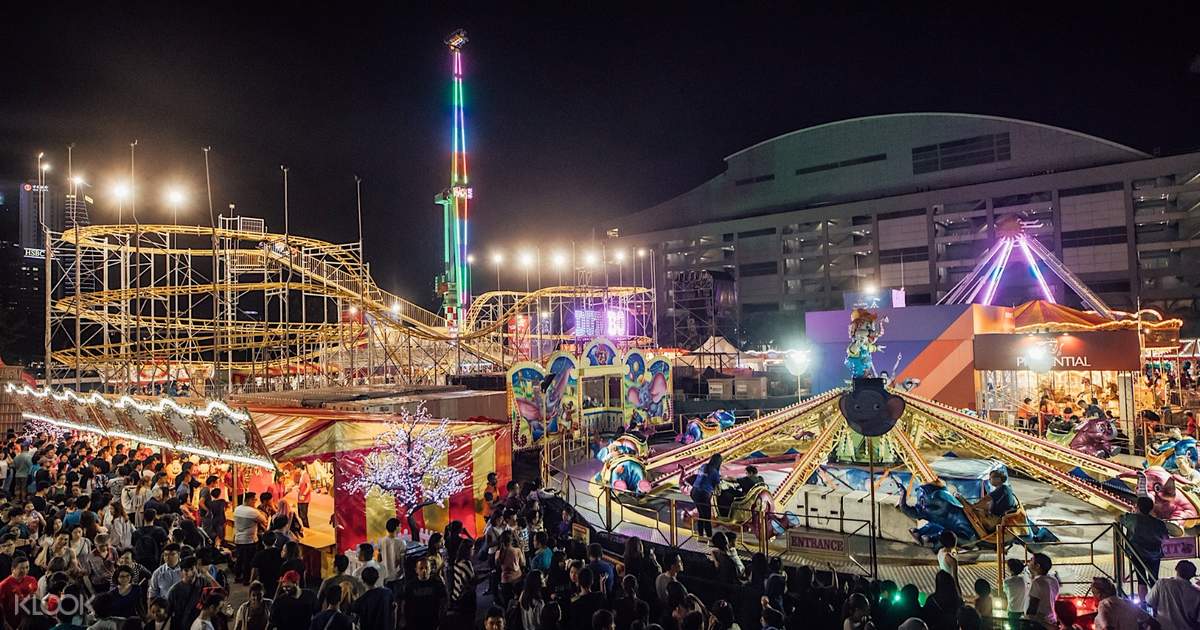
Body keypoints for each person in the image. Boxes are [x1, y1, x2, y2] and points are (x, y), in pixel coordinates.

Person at [1120, 496, 1169, 593]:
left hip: (1137, 553)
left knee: (1141, 580)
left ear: (1137, 507)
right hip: (1155, 554)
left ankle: (1143, 601)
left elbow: (1119, 518)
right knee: (1154, 579)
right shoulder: (1159, 523)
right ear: (1151, 508)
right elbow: (1165, 537)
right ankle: (1155, 599)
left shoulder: (1133, 519)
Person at [1146, 559, 1200, 630]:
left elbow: (1149, 602)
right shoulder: (1196, 593)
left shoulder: (1162, 583)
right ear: (1192, 575)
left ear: (1176, 570)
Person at [958, 469, 1017, 534]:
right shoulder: (1004, 488)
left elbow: (986, 499)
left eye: (991, 478)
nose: (989, 479)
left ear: (998, 479)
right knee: (979, 510)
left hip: (997, 520)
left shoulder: (1002, 489)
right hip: (999, 516)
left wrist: (973, 506)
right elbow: (989, 503)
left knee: (973, 514)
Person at [401, 556, 446, 630]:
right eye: (421, 568)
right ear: (416, 570)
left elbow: (443, 602)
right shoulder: (410, 586)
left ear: (430, 569)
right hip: (415, 623)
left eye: (426, 568)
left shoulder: (437, 584)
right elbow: (405, 604)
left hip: (432, 622)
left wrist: (441, 618)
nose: (424, 571)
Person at [233, 493, 267, 584]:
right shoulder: (253, 512)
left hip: (238, 538)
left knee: (239, 559)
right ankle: (246, 579)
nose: (255, 502)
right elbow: (264, 520)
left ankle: (237, 576)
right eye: (254, 500)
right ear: (249, 500)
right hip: (249, 540)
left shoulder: (237, 509)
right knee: (248, 561)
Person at [1023, 553, 1058, 630]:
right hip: (1051, 620)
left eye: (1031, 560)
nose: (1029, 562)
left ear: (1037, 566)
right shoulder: (1053, 580)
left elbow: (1032, 607)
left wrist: (1026, 620)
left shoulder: (1037, 582)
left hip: (1039, 624)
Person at [0, 554, 36, 629]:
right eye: (21, 568)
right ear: (13, 569)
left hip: (28, 622)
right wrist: (5, 623)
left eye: (27, 567)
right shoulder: (4, 585)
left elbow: (35, 598)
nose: (25, 570)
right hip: (11, 622)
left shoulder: (32, 580)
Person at [690, 454, 722, 540]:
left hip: (694, 491)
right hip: (703, 494)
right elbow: (718, 487)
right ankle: (709, 537)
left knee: (701, 514)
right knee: (707, 516)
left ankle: (700, 535)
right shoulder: (715, 472)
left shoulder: (703, 466)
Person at [352, 566, 394, 630]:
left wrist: (354, 597)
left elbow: (352, 611)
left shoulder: (362, 600)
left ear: (363, 581)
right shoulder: (388, 593)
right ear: (377, 577)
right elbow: (393, 611)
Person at [378, 517, 406, 586]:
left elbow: (379, 558)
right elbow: (402, 561)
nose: (401, 528)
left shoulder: (381, 541)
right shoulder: (401, 543)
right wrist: (402, 571)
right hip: (396, 575)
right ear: (396, 528)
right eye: (400, 526)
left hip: (385, 575)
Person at [1002, 558, 1028, 629]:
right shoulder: (1024, 579)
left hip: (1012, 610)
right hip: (1023, 610)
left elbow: (1005, 593)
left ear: (1011, 569)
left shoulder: (1007, 581)